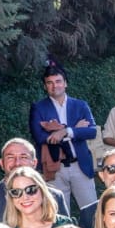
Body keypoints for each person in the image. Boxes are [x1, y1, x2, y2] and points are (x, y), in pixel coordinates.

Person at [28, 65, 99, 212]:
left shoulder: (80, 105)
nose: (55, 86)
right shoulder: (38, 108)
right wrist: (75, 129)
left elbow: (92, 132)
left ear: (65, 83)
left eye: (58, 81)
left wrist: (66, 131)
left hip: (80, 166)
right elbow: (40, 137)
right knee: (59, 215)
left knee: (92, 213)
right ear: (45, 86)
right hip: (55, 169)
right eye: (50, 83)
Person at [0, 139, 67, 227]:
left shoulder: (55, 197)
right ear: (2, 164)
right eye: (10, 157)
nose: (17, 163)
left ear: (34, 163)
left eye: (23, 157)